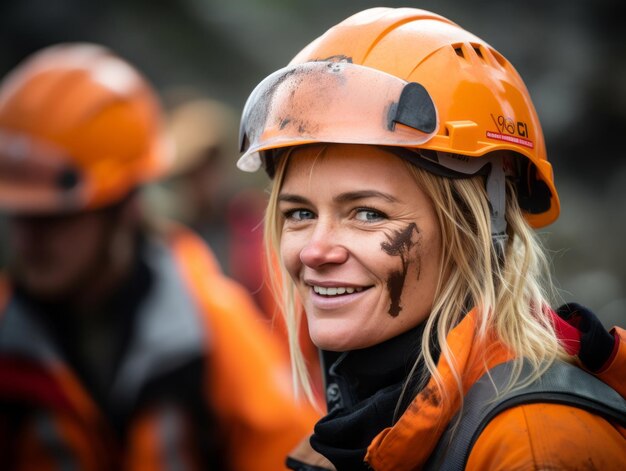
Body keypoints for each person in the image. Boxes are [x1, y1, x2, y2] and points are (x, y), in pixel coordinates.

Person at [236, 7, 626, 470]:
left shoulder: (536, 443)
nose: (316, 250)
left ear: (475, 230)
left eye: (367, 213)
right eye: (299, 213)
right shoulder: (356, 429)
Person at [0, 43, 317, 470]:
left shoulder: (206, 316)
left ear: (125, 205)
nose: (30, 237)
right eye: (22, 213)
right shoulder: (7, 327)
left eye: (59, 217)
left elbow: (284, 443)